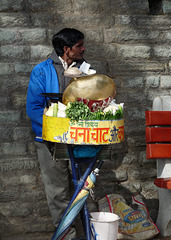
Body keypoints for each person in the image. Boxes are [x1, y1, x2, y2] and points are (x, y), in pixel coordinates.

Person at [26, 28, 85, 239]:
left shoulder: (86, 70)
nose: (83, 48)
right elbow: (33, 108)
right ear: (67, 49)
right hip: (49, 140)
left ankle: (90, 232)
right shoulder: (42, 71)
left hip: (81, 139)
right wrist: (58, 128)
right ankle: (66, 235)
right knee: (58, 191)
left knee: (85, 187)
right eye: (79, 45)